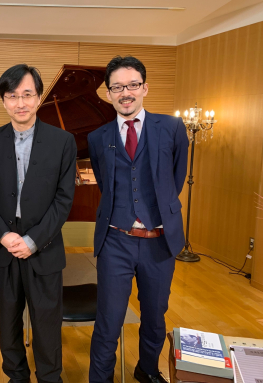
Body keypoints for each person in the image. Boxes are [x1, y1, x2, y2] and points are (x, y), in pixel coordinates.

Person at [87, 56, 189, 383]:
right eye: (117, 87)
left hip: (159, 242)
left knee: (155, 318)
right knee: (109, 321)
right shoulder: (97, 137)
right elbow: (105, 183)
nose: (125, 93)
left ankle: (147, 370)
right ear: (108, 93)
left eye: (132, 85)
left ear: (145, 88)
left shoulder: (172, 128)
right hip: (115, 240)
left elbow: (175, 180)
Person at [0, 64, 77, 383]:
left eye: (27, 94)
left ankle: (50, 378)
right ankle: (16, 377)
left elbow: (63, 200)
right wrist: (3, 235)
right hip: (3, 249)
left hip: (44, 247)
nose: (20, 103)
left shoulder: (63, 141)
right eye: (12, 95)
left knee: (47, 323)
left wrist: (32, 241)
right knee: (8, 324)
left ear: (39, 97)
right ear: (4, 100)